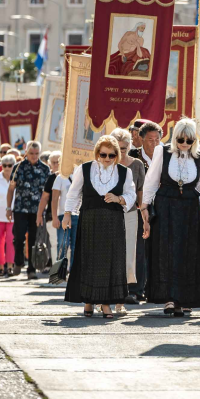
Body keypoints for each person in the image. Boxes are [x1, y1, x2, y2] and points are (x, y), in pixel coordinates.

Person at [142, 117, 200, 316]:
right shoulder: (161, 152)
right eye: (181, 140)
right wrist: (145, 207)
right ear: (175, 138)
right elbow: (152, 181)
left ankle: (186, 297)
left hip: (189, 207)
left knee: (188, 252)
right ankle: (170, 298)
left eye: (189, 141)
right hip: (166, 206)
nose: (184, 144)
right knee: (167, 251)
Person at [64, 135, 137, 318]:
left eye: (111, 155)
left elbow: (131, 194)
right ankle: (88, 301)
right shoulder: (84, 169)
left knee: (111, 261)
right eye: (103, 155)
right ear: (97, 153)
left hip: (113, 221)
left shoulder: (124, 172)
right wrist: (67, 214)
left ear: (116, 156)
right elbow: (73, 193)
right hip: (89, 220)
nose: (107, 159)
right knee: (89, 260)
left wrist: (118, 199)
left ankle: (106, 304)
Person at [111, 128, 147, 307]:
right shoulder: (106, 162)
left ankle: (132, 290)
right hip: (110, 213)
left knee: (132, 252)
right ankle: (114, 289)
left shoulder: (137, 165)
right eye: (117, 147)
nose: (120, 152)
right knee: (113, 252)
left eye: (124, 148)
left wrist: (144, 215)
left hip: (132, 212)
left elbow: (140, 192)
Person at [6, 141, 51, 280]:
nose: (34, 156)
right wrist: (8, 207)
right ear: (26, 152)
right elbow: (11, 189)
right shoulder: (18, 167)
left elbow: (48, 192)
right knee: (18, 236)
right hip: (20, 208)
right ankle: (18, 261)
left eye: (37, 154)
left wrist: (46, 210)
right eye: (31, 153)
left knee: (33, 239)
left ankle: (31, 269)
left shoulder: (45, 169)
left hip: (37, 210)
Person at [131, 121, 162, 300]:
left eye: (157, 139)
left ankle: (155, 289)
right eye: (150, 139)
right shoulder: (133, 157)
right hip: (137, 207)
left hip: (162, 207)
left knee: (158, 248)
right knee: (139, 249)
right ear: (141, 139)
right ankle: (136, 289)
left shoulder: (167, 155)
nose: (155, 143)